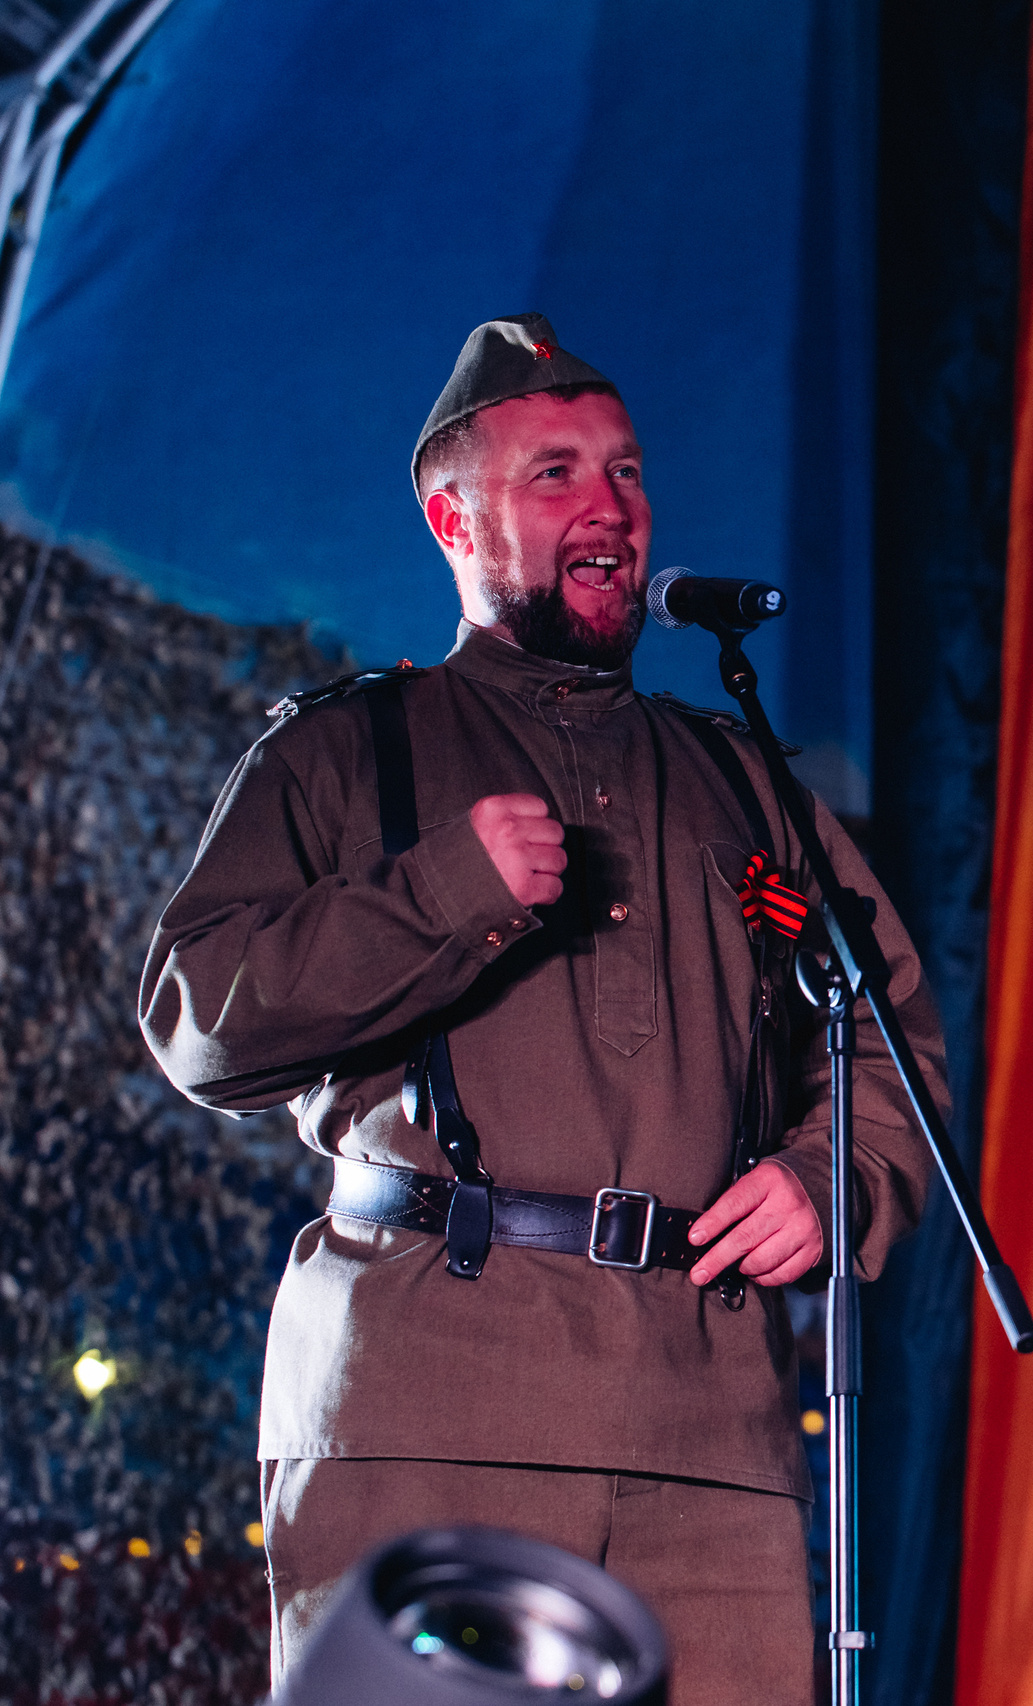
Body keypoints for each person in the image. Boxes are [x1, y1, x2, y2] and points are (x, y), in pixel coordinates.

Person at [138, 315, 942, 1703]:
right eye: (555, 473)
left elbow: (886, 1035)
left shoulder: (743, 776)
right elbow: (197, 1019)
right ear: (453, 519)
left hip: (711, 1432)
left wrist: (836, 1173)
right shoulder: (345, 751)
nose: (609, 506)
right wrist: (444, 889)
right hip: (432, 1407)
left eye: (625, 472)